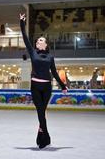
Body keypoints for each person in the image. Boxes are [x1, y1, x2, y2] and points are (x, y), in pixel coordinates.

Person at [19, 14, 68, 149]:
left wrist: (63, 86)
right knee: (40, 112)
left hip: (47, 87)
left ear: (45, 44)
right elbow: (24, 36)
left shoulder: (50, 58)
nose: (38, 41)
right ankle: (46, 135)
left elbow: (54, 73)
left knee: (43, 111)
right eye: (38, 40)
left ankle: (41, 135)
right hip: (35, 86)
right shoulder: (33, 52)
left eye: (41, 40)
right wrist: (22, 22)